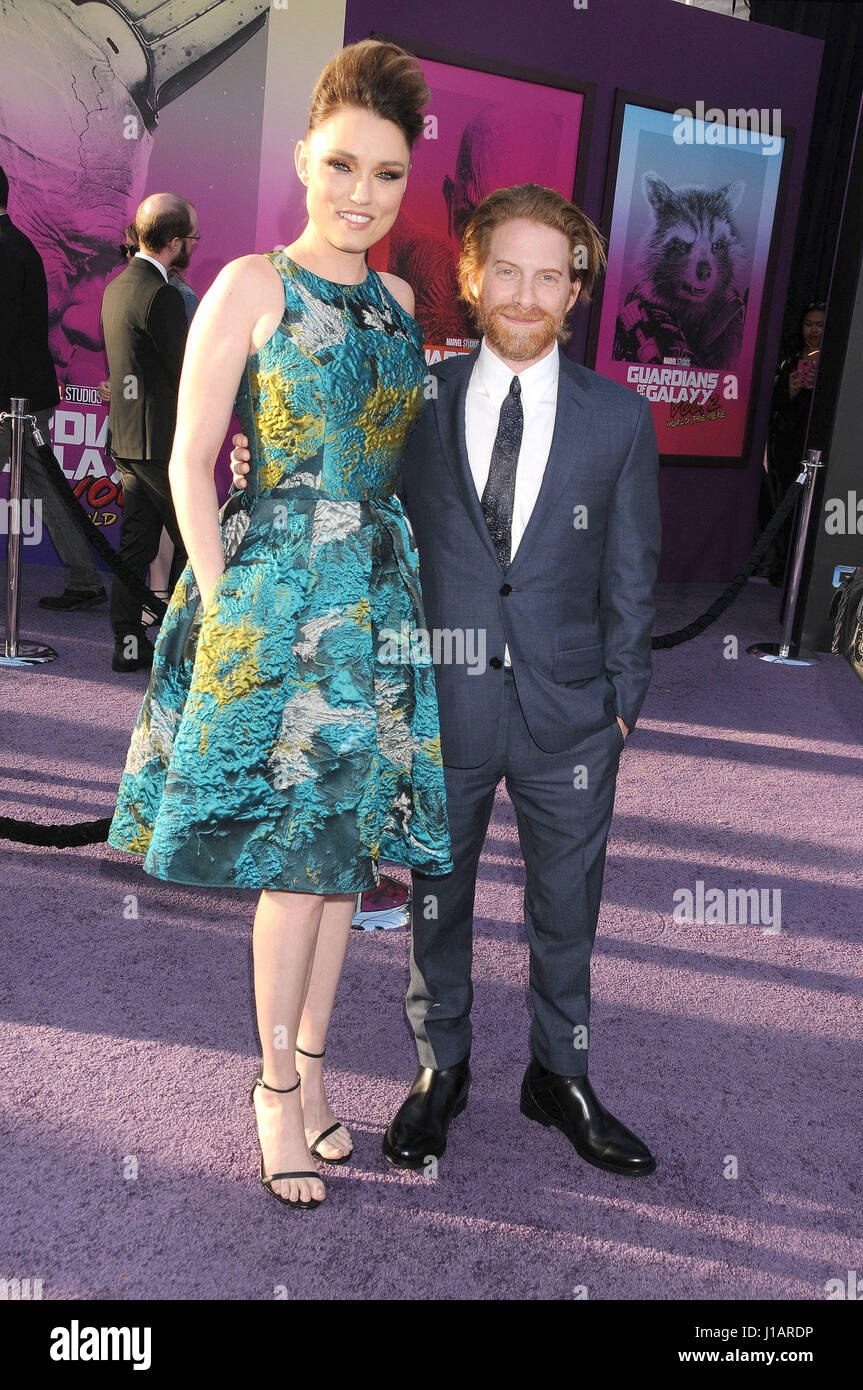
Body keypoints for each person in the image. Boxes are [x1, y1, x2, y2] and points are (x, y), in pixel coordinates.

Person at [231, 183, 662, 1179]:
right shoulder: (413, 401)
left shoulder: (620, 420)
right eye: (504, 270)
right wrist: (261, 463)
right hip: (441, 703)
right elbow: (338, 477)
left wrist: (621, 706)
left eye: (547, 275)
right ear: (469, 279)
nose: (524, 293)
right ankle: (442, 1069)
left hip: (571, 718)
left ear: (574, 289)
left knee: (568, 903)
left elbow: (633, 574)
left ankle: (562, 1074)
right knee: (438, 897)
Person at [107, 40, 453, 1212]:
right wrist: (225, 617)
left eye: (389, 174)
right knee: (287, 864)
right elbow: (193, 465)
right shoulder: (252, 285)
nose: (362, 193)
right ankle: (269, 1090)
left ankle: (309, 1075)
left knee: (344, 859)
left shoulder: (403, 301)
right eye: (343, 163)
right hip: (277, 606)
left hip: (374, 599)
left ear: (410, 181)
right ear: (305, 153)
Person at [0, 162, 106, 610]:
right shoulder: (16, 243)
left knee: (46, 485)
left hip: (11, 397)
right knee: (46, 485)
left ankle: (85, 578)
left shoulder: (5, 248)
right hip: (26, 393)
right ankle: (84, 578)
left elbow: (4, 331)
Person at [100, 193, 197, 671]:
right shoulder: (163, 296)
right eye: (193, 238)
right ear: (175, 243)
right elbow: (188, 372)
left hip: (126, 440)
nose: (195, 246)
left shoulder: (118, 286)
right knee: (194, 539)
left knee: (136, 543)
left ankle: (129, 642)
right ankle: (179, 644)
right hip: (160, 445)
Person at [763, 301, 825, 584]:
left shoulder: (839, 361)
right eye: (809, 324)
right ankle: (781, 568)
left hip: (823, 448)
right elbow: (773, 404)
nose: (814, 330)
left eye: (820, 324)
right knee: (784, 504)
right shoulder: (789, 359)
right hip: (788, 446)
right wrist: (791, 389)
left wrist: (818, 390)